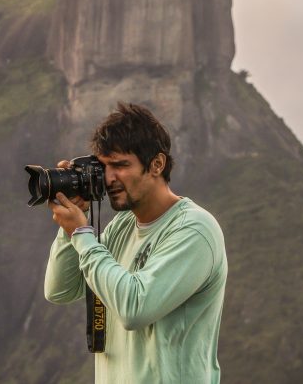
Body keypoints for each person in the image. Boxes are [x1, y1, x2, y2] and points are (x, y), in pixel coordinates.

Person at [44, 102, 227, 383]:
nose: (108, 178)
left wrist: (82, 234)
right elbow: (59, 290)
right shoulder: (122, 227)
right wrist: (71, 226)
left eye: (120, 165)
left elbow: (135, 309)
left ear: (157, 164)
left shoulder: (195, 230)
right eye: (103, 167)